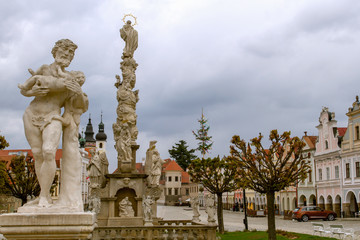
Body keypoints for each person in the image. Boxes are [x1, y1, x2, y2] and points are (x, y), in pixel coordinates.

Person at [19, 39, 83, 208]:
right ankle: (44, 195)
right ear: (55, 52)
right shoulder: (44, 69)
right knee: (38, 153)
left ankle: (44, 196)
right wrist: (33, 91)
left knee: (48, 152)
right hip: (31, 114)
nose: (67, 56)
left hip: (52, 117)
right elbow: (24, 90)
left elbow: (79, 105)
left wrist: (79, 93)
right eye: (64, 52)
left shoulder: (72, 79)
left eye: (70, 54)